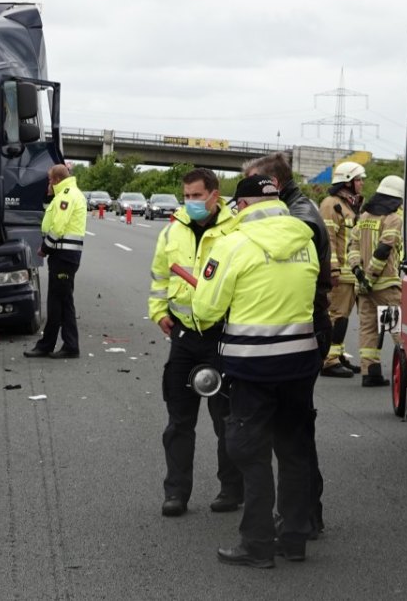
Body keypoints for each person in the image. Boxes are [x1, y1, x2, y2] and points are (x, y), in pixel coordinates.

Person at [193, 175, 321, 569]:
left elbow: (205, 309)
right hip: (300, 361)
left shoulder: (233, 245)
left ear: (242, 206)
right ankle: (294, 538)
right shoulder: (306, 241)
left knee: (250, 452)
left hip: (252, 366)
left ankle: (257, 543)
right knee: (295, 449)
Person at [242, 151, 329, 538]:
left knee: (292, 433)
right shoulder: (293, 208)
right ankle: (302, 517)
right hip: (301, 325)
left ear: (270, 186)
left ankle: (303, 517)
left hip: (301, 326)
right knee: (293, 430)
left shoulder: (298, 217)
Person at [148, 168, 242, 517]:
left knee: (226, 420)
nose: (191, 203)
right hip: (184, 336)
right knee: (178, 422)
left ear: (215, 195)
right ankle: (176, 493)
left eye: (197, 196)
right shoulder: (173, 230)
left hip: (222, 337)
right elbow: (160, 274)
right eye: (186, 196)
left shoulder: (235, 231)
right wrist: (158, 312)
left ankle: (231, 490)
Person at [24, 164, 86, 359]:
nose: (49, 183)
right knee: (64, 301)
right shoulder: (64, 194)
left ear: (57, 179)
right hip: (65, 256)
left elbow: (58, 227)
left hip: (63, 255)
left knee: (57, 302)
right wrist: (48, 194)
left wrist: (45, 248)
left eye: (50, 180)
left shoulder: (67, 195)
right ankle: (68, 345)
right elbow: (49, 215)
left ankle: (48, 345)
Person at [348, 175, 405, 387]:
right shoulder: (393, 219)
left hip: (363, 287)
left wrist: (359, 273)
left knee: (368, 328)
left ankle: (370, 373)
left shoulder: (364, 217)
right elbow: (384, 248)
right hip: (385, 285)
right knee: (396, 329)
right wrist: (370, 277)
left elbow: (351, 247)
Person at [319, 161, 367, 378]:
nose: (362, 183)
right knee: (336, 316)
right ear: (347, 181)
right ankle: (328, 360)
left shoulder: (349, 205)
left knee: (343, 317)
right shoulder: (331, 204)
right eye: (358, 179)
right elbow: (327, 239)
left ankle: (337, 357)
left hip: (352, 274)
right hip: (340, 273)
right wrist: (333, 270)